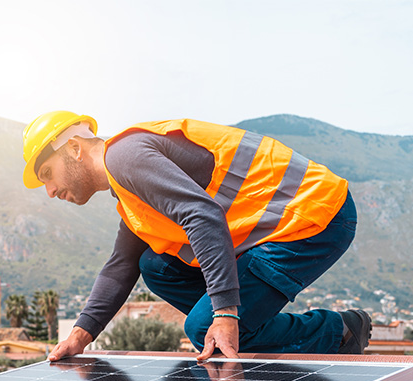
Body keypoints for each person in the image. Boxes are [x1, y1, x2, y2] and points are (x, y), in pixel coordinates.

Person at [22, 111, 371, 362]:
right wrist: (81, 335)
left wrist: (224, 314)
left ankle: (338, 331)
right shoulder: (127, 188)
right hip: (275, 229)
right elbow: (121, 265)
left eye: (47, 174)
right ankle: (242, 327)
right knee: (153, 264)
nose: (50, 190)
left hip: (312, 216)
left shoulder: (124, 157)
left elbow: (201, 215)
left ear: (74, 149)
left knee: (207, 325)